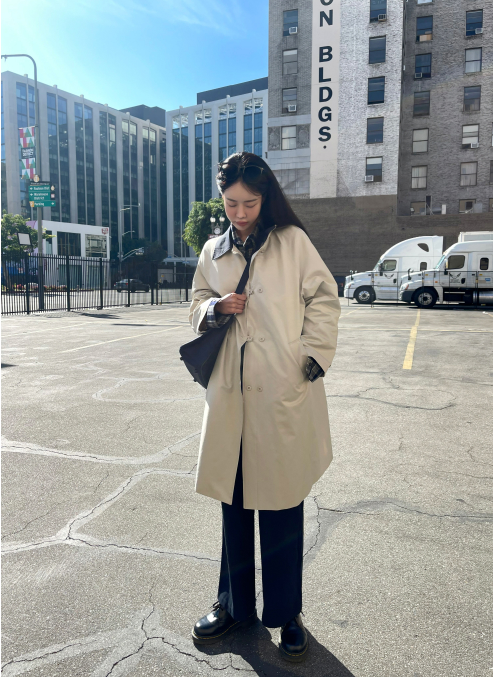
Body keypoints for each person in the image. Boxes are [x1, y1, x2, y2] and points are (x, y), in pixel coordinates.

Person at [188, 151, 340, 663]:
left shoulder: (292, 242)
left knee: (281, 506)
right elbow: (195, 302)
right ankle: (234, 606)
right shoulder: (213, 250)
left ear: (265, 197)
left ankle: (287, 613)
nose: (239, 213)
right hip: (231, 398)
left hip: (281, 391)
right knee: (233, 507)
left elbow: (324, 297)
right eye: (230, 203)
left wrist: (312, 355)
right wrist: (214, 307)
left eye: (249, 203)